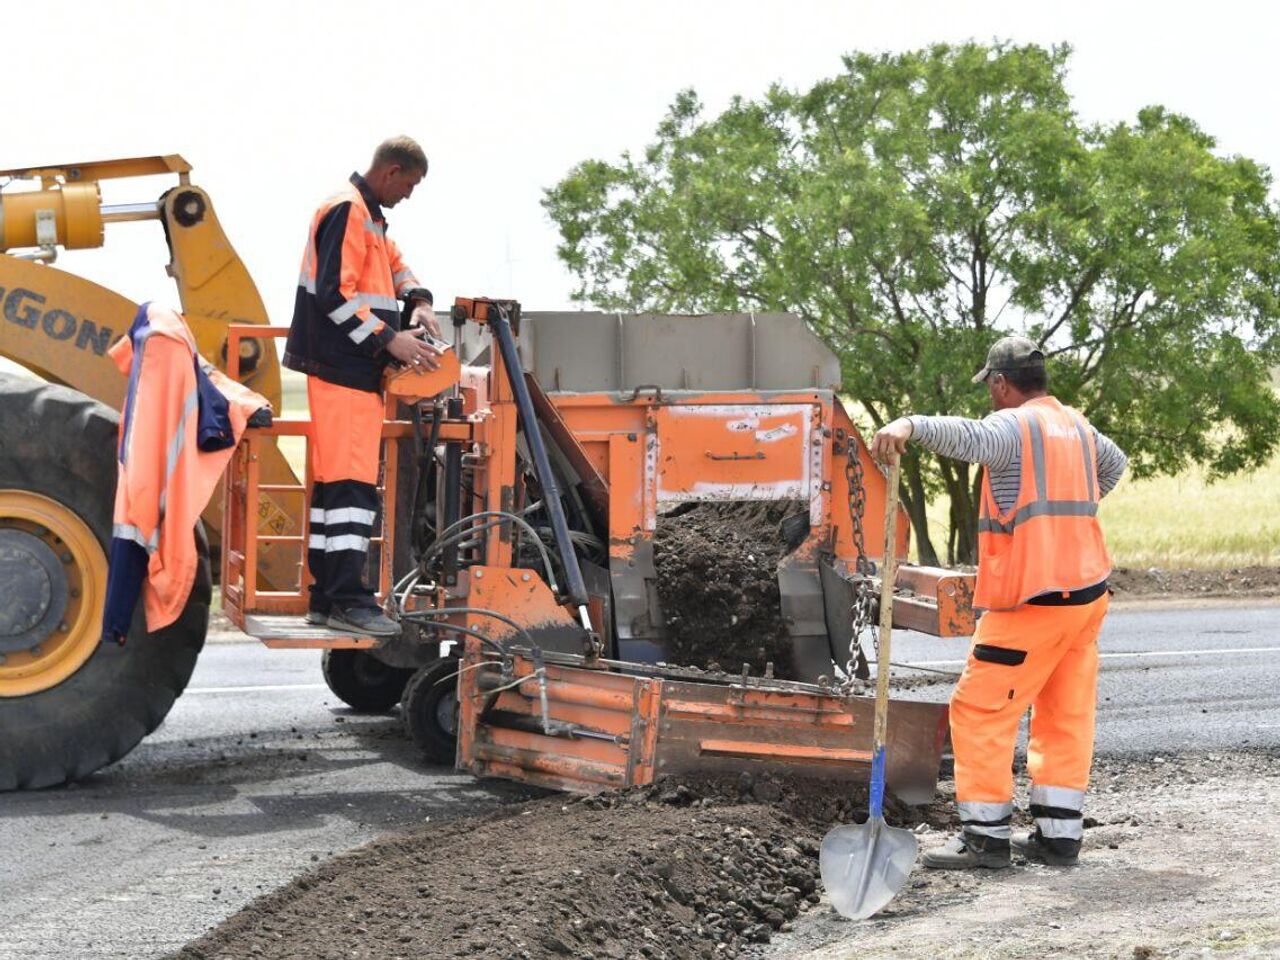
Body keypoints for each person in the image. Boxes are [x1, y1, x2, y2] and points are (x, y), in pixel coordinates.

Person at [870, 335, 1128, 869]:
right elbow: (1116, 464)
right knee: (1063, 714)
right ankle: (1059, 838)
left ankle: (985, 839)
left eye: (990, 385)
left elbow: (969, 437)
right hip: (1084, 598)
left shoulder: (1015, 427)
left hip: (1033, 600)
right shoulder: (1076, 426)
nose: (990, 395)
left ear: (1001, 383)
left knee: (979, 709)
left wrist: (908, 426)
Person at [283, 136, 443, 637]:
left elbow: (397, 267)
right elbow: (335, 295)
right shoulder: (349, 212)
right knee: (351, 489)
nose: (410, 195)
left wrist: (417, 299)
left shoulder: (368, 217)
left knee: (335, 486)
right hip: (344, 370)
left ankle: (325, 596)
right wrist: (390, 341)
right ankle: (349, 599)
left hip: (346, 370)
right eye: (411, 185)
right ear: (392, 171)